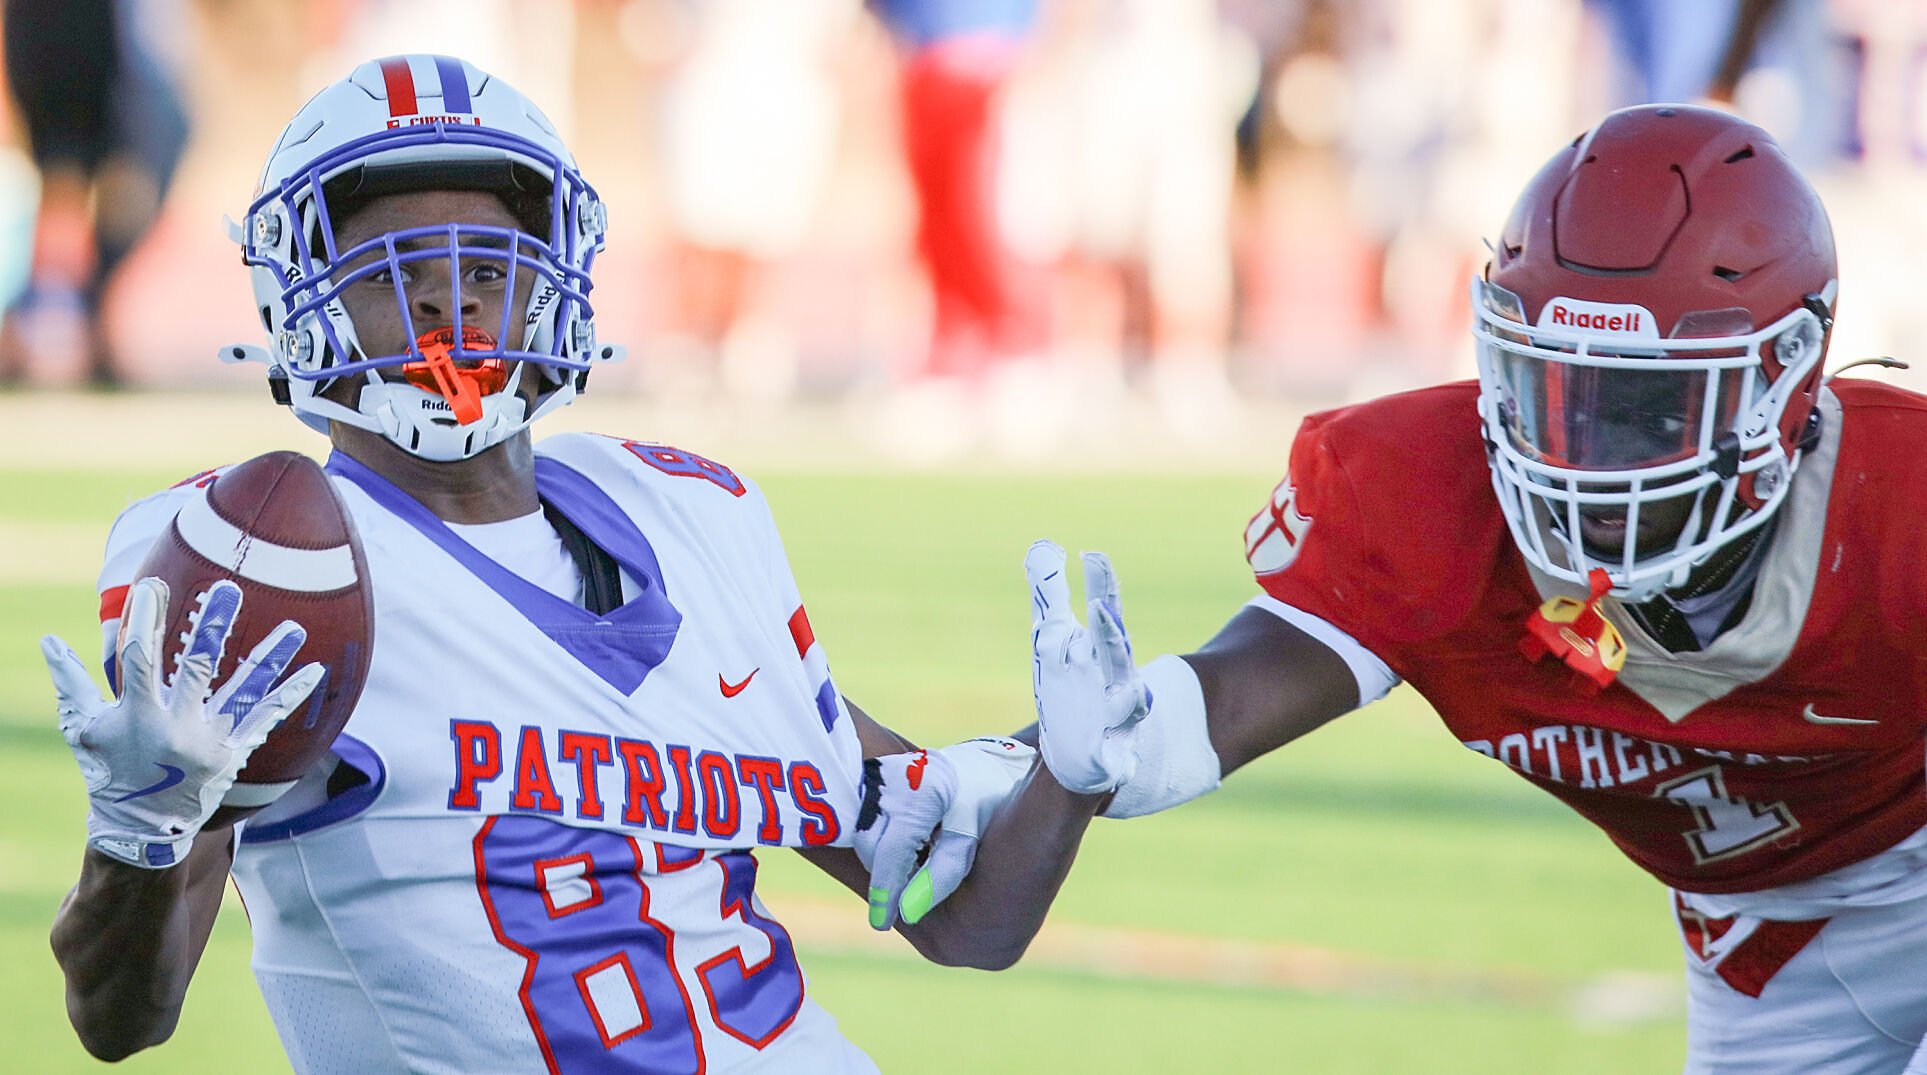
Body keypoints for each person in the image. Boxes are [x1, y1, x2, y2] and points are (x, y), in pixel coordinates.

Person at [42, 55, 1131, 1073]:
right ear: (302, 303)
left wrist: (1069, 779)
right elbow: (119, 1020)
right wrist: (141, 833)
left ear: (553, 281)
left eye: (489, 264)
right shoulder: (275, 556)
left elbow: (969, 911)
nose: (447, 302)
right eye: (397, 272)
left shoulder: (692, 516)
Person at [866, 104, 1927, 1073]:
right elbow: (1227, 692)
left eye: (1648, 408)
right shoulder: (1424, 495)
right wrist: (1035, 762)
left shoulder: (1900, 511)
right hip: (1772, 943)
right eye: (1551, 389)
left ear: (1786, 379)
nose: (1585, 457)